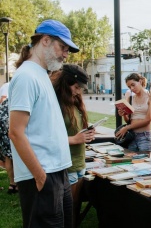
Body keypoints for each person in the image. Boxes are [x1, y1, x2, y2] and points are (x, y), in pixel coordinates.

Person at [8, 19, 79, 227]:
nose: (65, 54)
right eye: (63, 47)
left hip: (58, 172)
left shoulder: (41, 75)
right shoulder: (26, 77)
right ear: (45, 41)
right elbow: (15, 132)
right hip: (42, 175)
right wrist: (40, 176)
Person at [50, 64, 95, 227]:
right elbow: (48, 138)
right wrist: (74, 139)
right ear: (66, 83)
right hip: (64, 164)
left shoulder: (74, 100)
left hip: (79, 161)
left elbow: (74, 127)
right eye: (76, 87)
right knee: (64, 210)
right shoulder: (54, 103)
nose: (78, 91)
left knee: (74, 207)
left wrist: (87, 132)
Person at [115, 73, 151, 153]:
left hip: (144, 136)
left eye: (133, 85)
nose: (132, 88)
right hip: (131, 136)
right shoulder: (130, 98)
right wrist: (124, 114)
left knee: (144, 162)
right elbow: (128, 120)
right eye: (129, 87)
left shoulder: (150, 97)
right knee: (131, 162)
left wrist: (127, 128)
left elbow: (147, 120)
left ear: (140, 81)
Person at [0, 99, 17, 194]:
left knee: (8, 156)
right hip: (9, 125)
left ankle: (12, 184)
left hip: (2, 125)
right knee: (16, 155)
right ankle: (18, 184)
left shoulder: (7, 99)